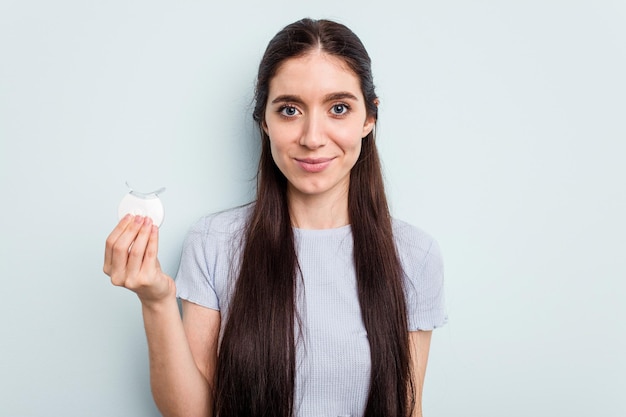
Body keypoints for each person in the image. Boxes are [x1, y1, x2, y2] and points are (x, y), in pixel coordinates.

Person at [103, 17, 446, 417]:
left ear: (369, 118)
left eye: (338, 108)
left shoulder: (415, 255)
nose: (312, 137)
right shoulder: (215, 242)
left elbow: (409, 408)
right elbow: (192, 413)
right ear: (264, 120)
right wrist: (156, 301)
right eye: (289, 109)